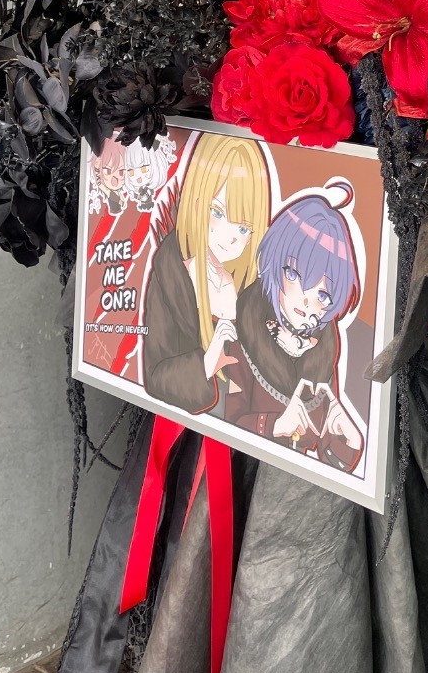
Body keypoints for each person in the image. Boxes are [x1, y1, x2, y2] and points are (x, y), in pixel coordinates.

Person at [225, 183, 365, 471]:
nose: (305, 300)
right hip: (244, 474)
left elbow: (329, 456)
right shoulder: (242, 338)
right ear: (275, 266)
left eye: (323, 295)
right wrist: (273, 426)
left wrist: (349, 443)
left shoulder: (323, 354)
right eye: (294, 275)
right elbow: (223, 424)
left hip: (298, 489)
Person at [141, 133, 271, 415]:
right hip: (191, 418)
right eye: (218, 212)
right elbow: (155, 375)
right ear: (197, 201)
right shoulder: (173, 276)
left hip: (249, 422)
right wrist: (206, 362)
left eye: (243, 228)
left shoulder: (252, 284)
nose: (229, 237)